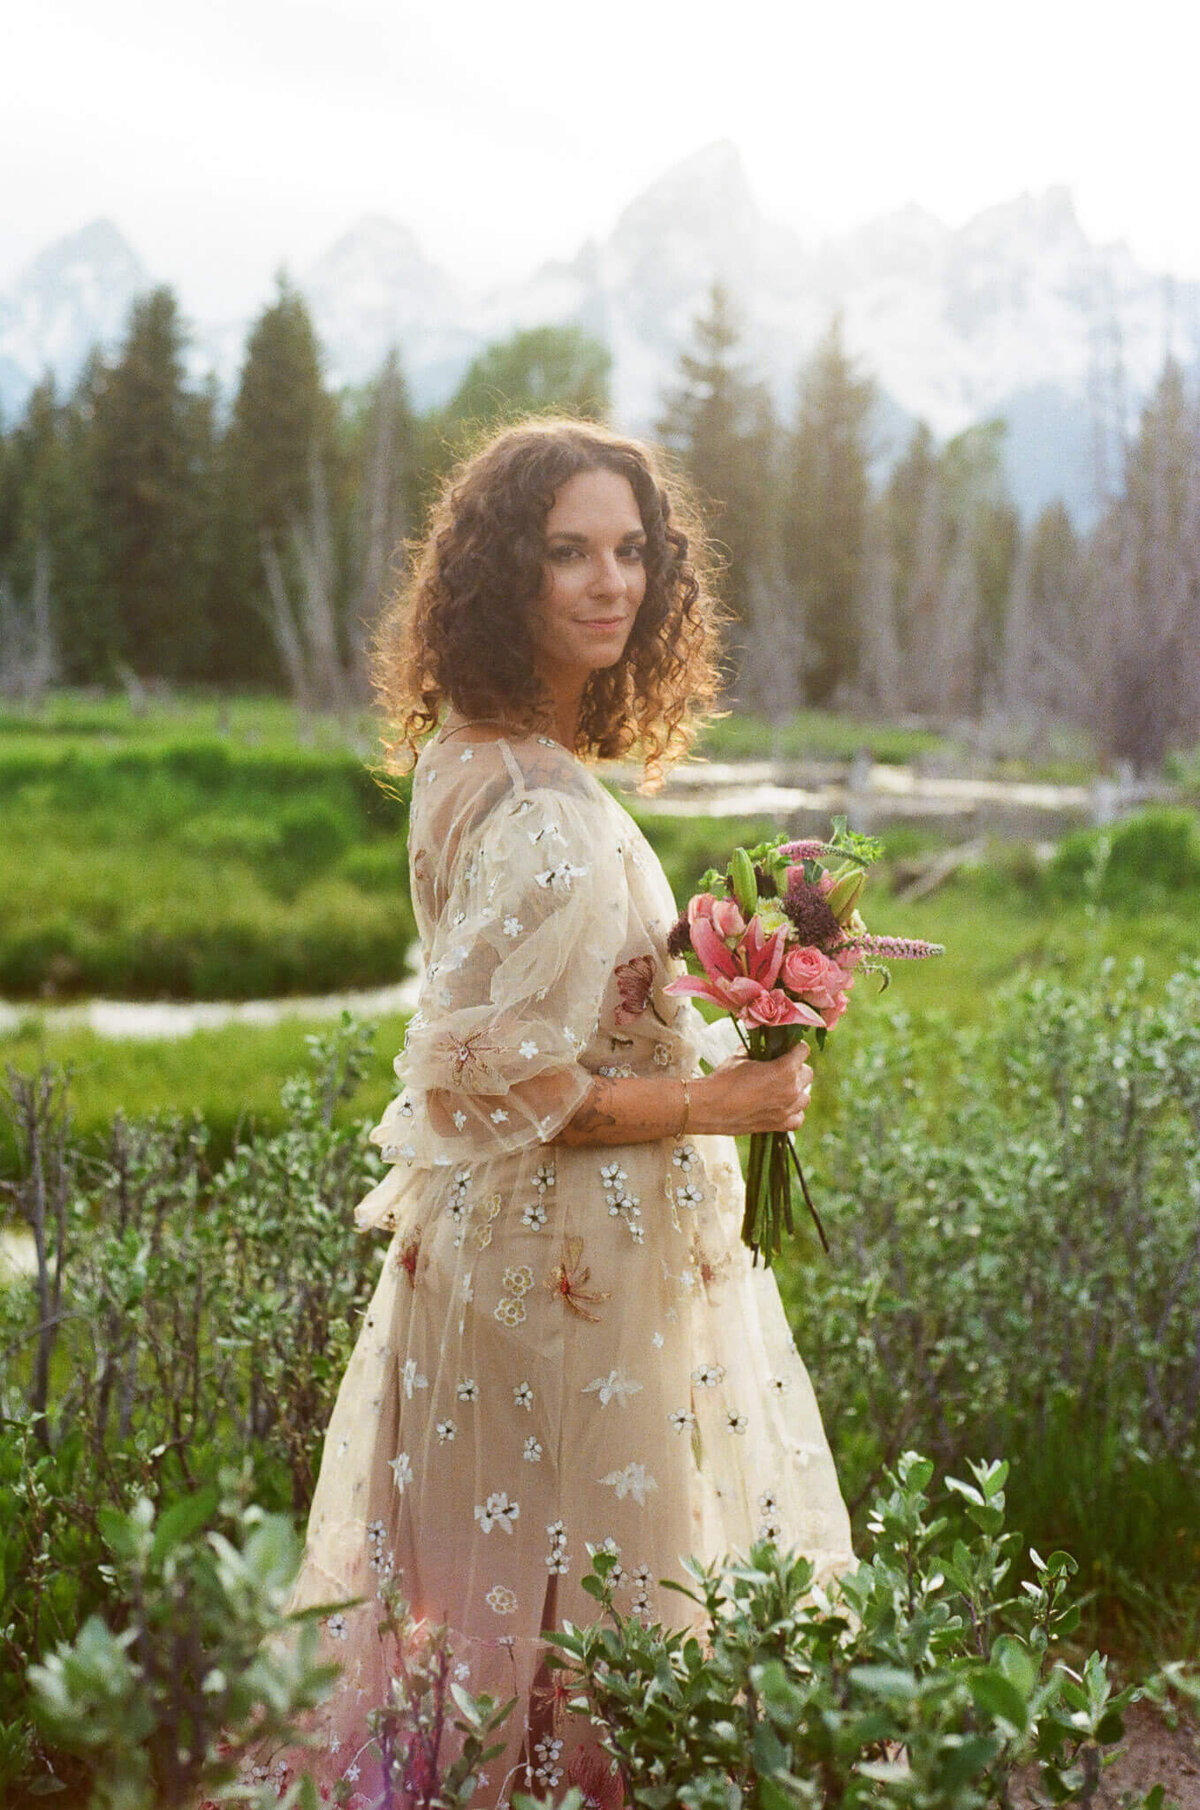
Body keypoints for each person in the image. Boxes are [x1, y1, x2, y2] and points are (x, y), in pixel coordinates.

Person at [251, 419, 854, 1808]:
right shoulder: (536, 805)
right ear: (497, 574)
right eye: (568, 549)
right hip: (557, 1280)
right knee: (586, 1600)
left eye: (632, 551)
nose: (610, 581)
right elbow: (503, 1089)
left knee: (491, 1604)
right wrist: (736, 1093)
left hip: (519, 1265)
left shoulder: (478, 757)